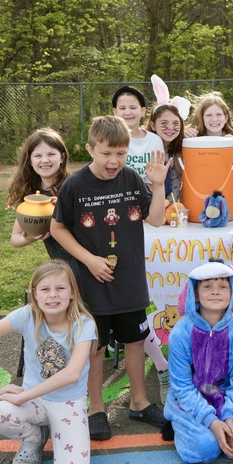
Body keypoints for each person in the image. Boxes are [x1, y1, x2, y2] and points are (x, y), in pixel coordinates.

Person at [50, 115, 170, 441]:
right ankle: (96, 408)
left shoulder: (131, 179)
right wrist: (88, 260)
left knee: (134, 341)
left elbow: (157, 219)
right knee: (96, 348)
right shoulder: (75, 185)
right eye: (106, 153)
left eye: (121, 152)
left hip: (129, 280)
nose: (114, 161)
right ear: (90, 149)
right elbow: (57, 227)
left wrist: (158, 185)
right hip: (92, 284)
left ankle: (139, 401)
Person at [0, 260, 96, 464]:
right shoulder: (28, 315)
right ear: (34, 294)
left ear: (72, 293)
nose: (52, 296)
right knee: (0, 415)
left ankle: (59, 431)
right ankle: (35, 438)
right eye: (45, 289)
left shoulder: (83, 324)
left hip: (68, 402)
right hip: (35, 400)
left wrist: (21, 396)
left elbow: (71, 374)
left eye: (60, 289)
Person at [164, 261, 233, 464]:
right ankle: (181, 425)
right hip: (189, 402)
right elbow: (182, 386)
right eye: (207, 286)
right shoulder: (181, 333)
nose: (215, 292)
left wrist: (229, 417)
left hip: (226, 398)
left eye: (223, 286)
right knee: (205, 449)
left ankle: (224, 424)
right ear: (196, 294)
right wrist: (211, 422)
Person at [7, 128, 73, 264]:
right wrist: (32, 237)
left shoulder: (74, 186)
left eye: (51, 154)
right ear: (30, 161)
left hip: (87, 261)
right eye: (37, 156)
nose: (45, 160)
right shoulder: (33, 196)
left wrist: (65, 207)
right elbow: (15, 238)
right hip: (61, 266)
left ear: (62, 157)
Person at [112, 85, 164, 183]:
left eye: (133, 107)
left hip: (147, 194)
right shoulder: (109, 139)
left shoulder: (155, 140)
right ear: (115, 112)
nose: (128, 113)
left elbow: (156, 180)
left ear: (142, 111)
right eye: (122, 108)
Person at [184, 91, 233, 159]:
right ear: (202, 119)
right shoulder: (193, 138)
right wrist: (184, 140)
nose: (214, 119)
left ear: (226, 118)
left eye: (219, 114)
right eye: (209, 115)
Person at [147, 102, 186, 202]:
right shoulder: (146, 149)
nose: (170, 128)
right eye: (164, 123)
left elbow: (177, 182)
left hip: (170, 206)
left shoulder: (180, 150)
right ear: (153, 125)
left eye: (175, 123)